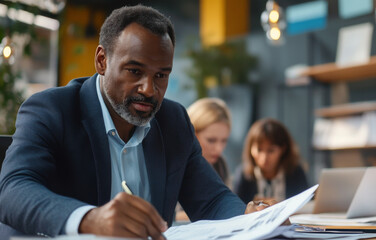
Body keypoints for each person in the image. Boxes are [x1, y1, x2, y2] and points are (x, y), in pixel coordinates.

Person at [0, 5, 265, 240]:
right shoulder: (52, 110)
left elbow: (212, 200)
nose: (149, 89)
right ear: (102, 61)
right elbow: (13, 190)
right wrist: (90, 219)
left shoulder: (173, 121)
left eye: (161, 75)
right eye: (135, 71)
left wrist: (250, 217)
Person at [233, 118, 308, 204]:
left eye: (271, 151)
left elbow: (304, 204)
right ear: (250, 149)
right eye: (259, 150)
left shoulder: (296, 172)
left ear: (283, 149)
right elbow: (237, 208)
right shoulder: (244, 175)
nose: (264, 157)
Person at [187, 97, 231, 184]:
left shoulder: (220, 165)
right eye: (211, 140)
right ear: (192, 134)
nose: (219, 149)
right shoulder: (176, 169)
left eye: (224, 141)